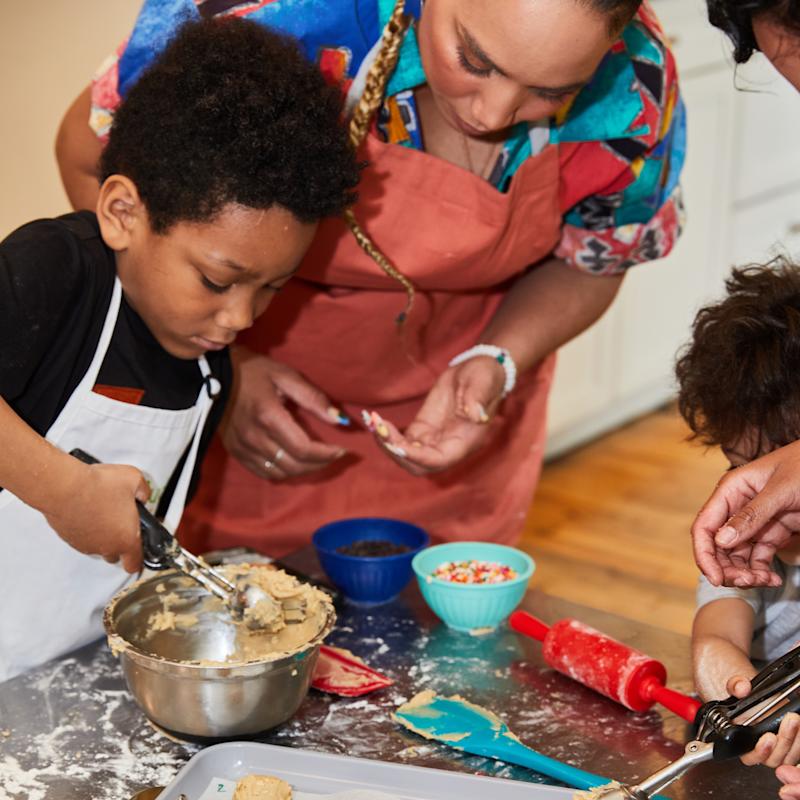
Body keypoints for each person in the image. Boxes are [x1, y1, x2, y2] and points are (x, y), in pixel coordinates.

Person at [56, 0, 685, 558]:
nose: (494, 113)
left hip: (456, 442)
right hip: (250, 409)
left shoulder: (635, 88)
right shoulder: (280, 25)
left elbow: (598, 258)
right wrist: (227, 365)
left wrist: (500, 358)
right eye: (473, 58)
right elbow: (88, 158)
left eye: (551, 91)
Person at [0, 17, 358, 682]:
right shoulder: (55, 272)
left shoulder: (204, 364)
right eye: (217, 281)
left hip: (62, 677)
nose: (239, 318)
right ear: (122, 214)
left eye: (271, 288)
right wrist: (65, 491)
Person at [676, 261, 800, 779]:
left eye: (783, 476)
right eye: (741, 471)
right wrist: (716, 653)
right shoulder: (750, 548)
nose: (758, 511)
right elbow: (723, 619)